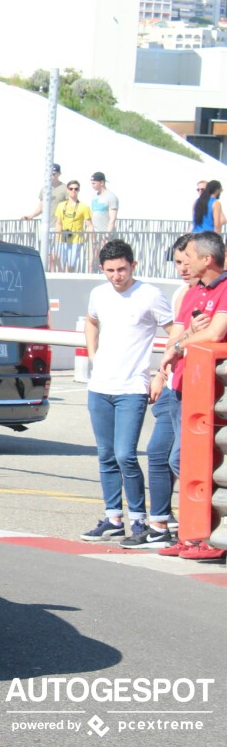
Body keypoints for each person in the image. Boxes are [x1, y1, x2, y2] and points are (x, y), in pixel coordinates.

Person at [80, 239, 172, 545]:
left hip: (132, 388)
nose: (116, 276)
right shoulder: (98, 294)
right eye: (110, 270)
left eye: (122, 269)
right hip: (100, 388)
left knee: (125, 455)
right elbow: (91, 322)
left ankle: (140, 522)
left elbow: (175, 332)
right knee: (106, 455)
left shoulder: (150, 295)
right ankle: (113, 519)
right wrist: (93, 355)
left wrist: (161, 373)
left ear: (133, 265)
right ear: (102, 269)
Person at [157, 231, 227, 560]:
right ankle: (190, 535)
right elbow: (181, 334)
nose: (185, 263)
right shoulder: (192, 292)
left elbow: (213, 333)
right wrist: (178, 347)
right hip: (183, 386)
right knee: (177, 460)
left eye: (190, 257)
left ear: (207, 260)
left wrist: (182, 345)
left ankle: (203, 536)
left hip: (209, 391)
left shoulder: (224, 288)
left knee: (190, 463)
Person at [140, 234, 194, 551]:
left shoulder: (214, 293)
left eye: (187, 260)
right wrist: (161, 373)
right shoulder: (182, 293)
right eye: (177, 262)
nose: (182, 267)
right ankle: (161, 522)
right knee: (160, 454)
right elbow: (175, 338)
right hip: (174, 385)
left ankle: (193, 527)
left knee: (181, 460)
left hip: (194, 390)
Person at [53, 181, 91, 273]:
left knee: (71, 264)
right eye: (71, 189)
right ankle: (62, 277)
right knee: (57, 260)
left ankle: (69, 280)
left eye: (76, 189)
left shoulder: (84, 206)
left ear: (79, 190)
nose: (73, 191)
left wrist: (87, 238)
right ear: (67, 190)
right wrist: (57, 237)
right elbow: (58, 222)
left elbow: (89, 225)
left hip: (76, 240)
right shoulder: (61, 205)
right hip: (62, 239)